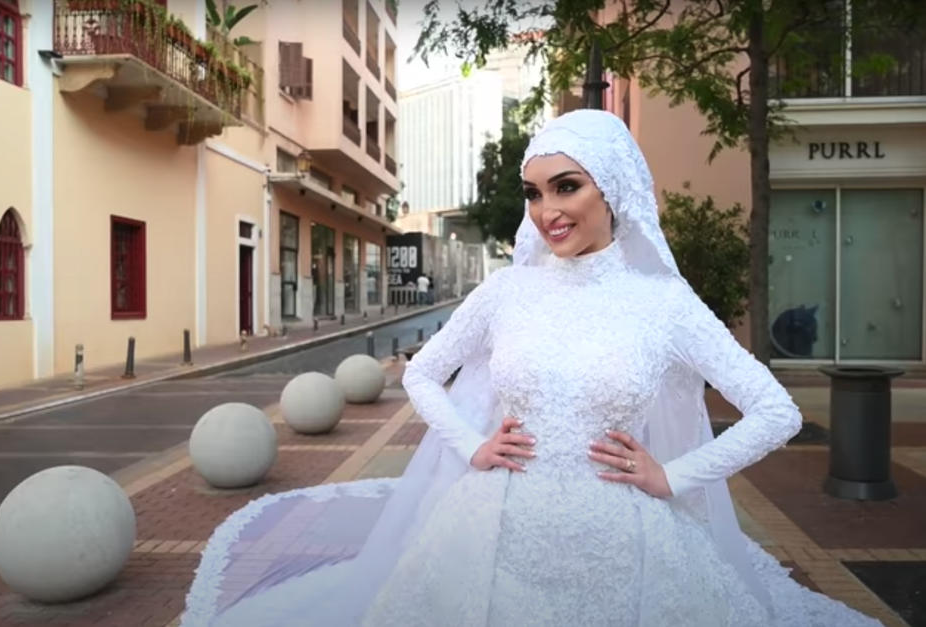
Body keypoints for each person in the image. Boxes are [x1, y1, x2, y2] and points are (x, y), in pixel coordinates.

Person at [182, 111, 880, 626]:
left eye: (566, 187)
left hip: (626, 549)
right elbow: (423, 373)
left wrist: (674, 475)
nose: (547, 210)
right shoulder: (507, 290)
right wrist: (471, 444)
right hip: (491, 530)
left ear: (612, 190)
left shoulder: (664, 304)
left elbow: (776, 410)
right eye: (534, 191)